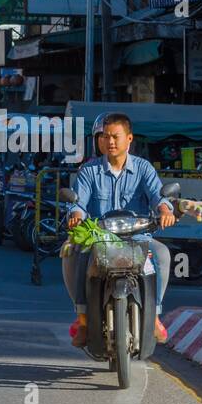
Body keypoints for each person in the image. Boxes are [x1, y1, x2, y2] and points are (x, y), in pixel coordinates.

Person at [63, 112, 176, 346]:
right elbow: (78, 203)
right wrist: (75, 214)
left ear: (129, 139)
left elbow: (158, 195)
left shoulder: (144, 169)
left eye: (115, 136)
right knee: (73, 253)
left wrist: (165, 210)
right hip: (99, 239)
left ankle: (154, 315)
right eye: (105, 137)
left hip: (138, 238)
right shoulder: (88, 171)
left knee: (163, 255)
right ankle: (83, 319)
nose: (110, 142)